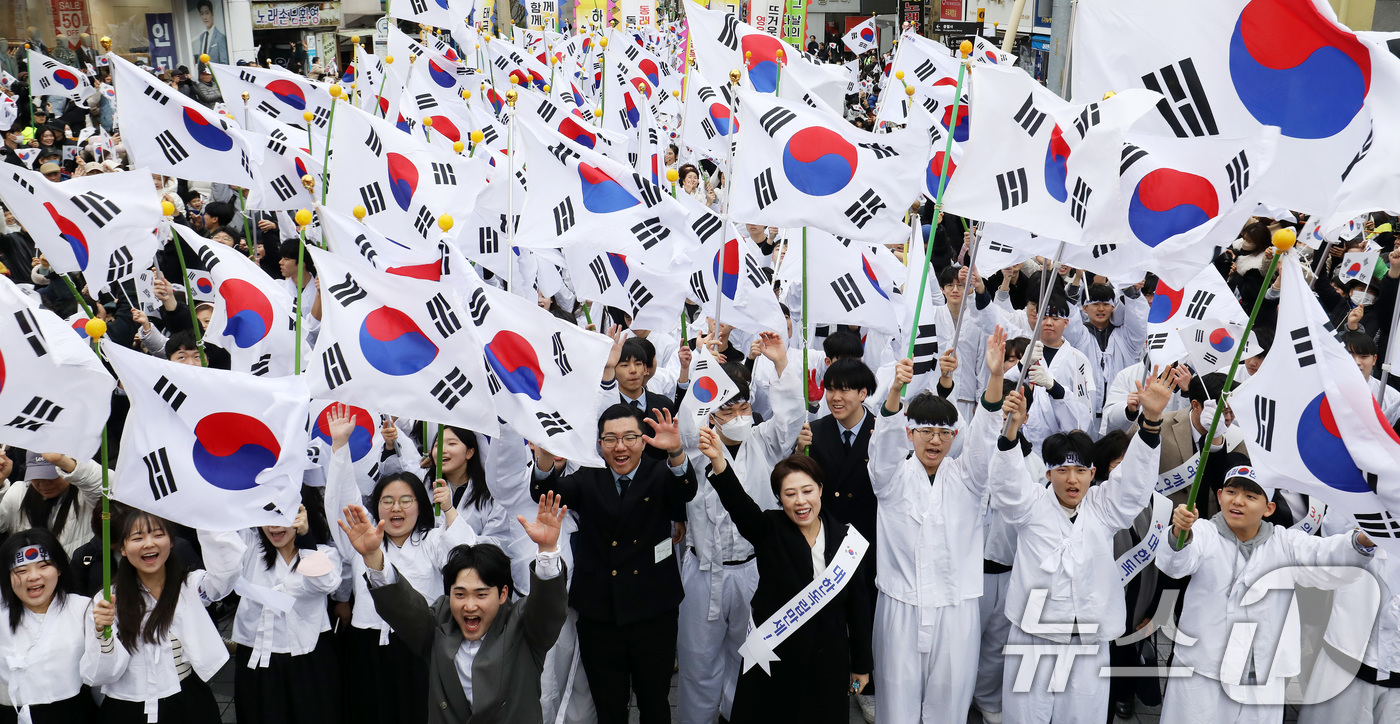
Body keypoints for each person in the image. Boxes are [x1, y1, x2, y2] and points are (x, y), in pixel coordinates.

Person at [989, 367, 1172, 723]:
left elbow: (1134, 484)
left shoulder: (1104, 506)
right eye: (1062, 470)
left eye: (1080, 471)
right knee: (1027, 716)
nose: (1071, 480)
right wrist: (1011, 429)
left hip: (1087, 640)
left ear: (1093, 472)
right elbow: (1007, 483)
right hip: (1035, 639)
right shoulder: (1030, 506)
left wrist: (1151, 421)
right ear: (1047, 473)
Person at [1156, 467, 1379, 724]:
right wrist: (1179, 533)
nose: (1237, 500)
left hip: (1261, 678)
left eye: (1251, 496)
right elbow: (1176, 565)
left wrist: (1364, 539)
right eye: (1231, 492)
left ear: (1269, 508)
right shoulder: (1204, 533)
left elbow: (1327, 558)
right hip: (1205, 672)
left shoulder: (1285, 543)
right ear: (1219, 496)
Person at [866, 327, 1007, 722]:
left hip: (955, 606)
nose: (934, 440)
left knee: (949, 708)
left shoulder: (968, 479)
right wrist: (895, 390)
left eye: (944, 432)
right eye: (925, 430)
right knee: (897, 708)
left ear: (953, 436)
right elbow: (885, 445)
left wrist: (995, 377)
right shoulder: (890, 478)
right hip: (901, 606)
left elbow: (985, 438)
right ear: (910, 432)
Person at [530, 405, 697, 724]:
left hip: (654, 610)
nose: (620, 447)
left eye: (629, 437)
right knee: (609, 707)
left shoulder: (659, 472)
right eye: (610, 439)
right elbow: (546, 493)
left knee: (655, 702)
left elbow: (685, 488)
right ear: (599, 443)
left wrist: (676, 451)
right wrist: (546, 458)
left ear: (643, 440)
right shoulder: (588, 477)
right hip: (601, 612)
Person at [340, 492, 569, 723]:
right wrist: (372, 555)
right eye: (459, 594)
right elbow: (404, 608)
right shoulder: (440, 622)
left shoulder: (522, 625)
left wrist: (548, 550)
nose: (470, 606)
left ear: (502, 594)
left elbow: (547, 610)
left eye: (481, 594)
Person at [322, 405, 488, 724]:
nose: (396, 507)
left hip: (420, 646)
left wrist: (451, 511)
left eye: (406, 500)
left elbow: (468, 557)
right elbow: (342, 501)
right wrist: (340, 446)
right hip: (366, 643)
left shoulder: (432, 539)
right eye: (387, 500)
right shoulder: (364, 538)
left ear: (420, 505)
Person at [696, 440, 872, 723]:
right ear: (779, 498)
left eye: (807, 491)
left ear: (821, 490)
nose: (800, 501)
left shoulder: (847, 541)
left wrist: (862, 666)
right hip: (775, 655)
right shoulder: (769, 529)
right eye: (790, 494)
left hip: (828, 658)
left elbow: (859, 609)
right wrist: (718, 461)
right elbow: (740, 505)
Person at [675, 331, 801, 724]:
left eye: (744, 404)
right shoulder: (696, 448)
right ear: (710, 412)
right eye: (728, 408)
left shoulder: (764, 440)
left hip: (752, 571)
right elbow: (683, 427)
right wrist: (702, 371)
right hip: (703, 571)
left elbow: (791, 418)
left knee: (748, 658)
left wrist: (781, 364)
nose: (739, 415)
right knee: (699, 663)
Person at [82, 510, 233, 722]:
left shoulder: (190, 586)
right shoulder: (106, 600)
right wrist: (102, 632)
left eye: (158, 535)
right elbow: (100, 674)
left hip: (187, 702)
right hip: (126, 708)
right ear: (123, 548)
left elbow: (225, 577)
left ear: (171, 542)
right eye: (137, 538)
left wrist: (206, 517)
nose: (148, 543)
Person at [197, 504, 342, 724]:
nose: (274, 525)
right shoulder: (250, 547)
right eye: (267, 515)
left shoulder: (324, 552)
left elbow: (326, 584)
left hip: (309, 657)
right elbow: (218, 529)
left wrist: (306, 541)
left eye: (282, 515)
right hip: (258, 657)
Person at [0, 527, 97, 723]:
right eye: (21, 570)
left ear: (59, 568)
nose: (33, 576)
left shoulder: (84, 608)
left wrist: (106, 634)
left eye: (43, 566)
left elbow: (105, 671)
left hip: (72, 713)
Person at [0, 451, 103, 556]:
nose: (44, 484)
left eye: (51, 477)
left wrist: (66, 462)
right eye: (37, 477)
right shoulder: (18, 493)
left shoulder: (86, 496)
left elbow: (106, 488)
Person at [191, 0, 229, 65]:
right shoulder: (202, 36)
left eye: (207, 13)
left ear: (212, 14)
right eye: (202, 14)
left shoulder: (220, 37)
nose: (205, 17)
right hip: (202, 73)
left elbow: (224, 62)